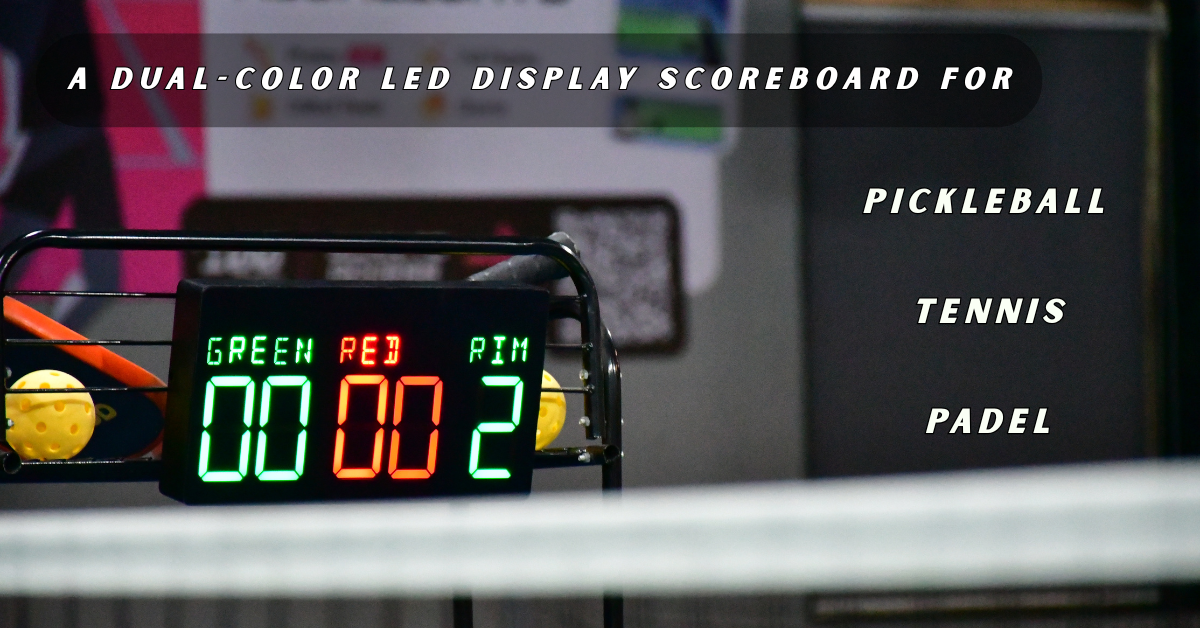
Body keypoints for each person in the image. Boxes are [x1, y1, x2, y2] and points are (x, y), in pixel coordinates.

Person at [0, 0, 123, 331]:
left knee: (103, 282)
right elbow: (9, 62)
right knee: (9, 263)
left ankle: (47, 359)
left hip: (80, 133)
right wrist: (10, 148)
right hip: (51, 137)